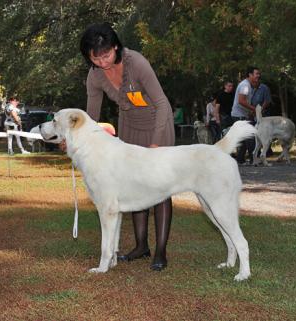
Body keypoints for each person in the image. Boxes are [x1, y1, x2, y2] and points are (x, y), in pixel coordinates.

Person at [80, 23, 175, 271]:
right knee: (134, 185)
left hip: (158, 125)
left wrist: (156, 143)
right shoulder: (95, 76)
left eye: (106, 55)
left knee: (160, 188)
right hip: (129, 129)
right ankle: (141, 246)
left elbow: (163, 103)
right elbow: (91, 118)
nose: (102, 62)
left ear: (116, 47)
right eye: (95, 57)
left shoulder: (137, 63)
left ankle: (161, 251)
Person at [231, 66, 261, 164]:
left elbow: (244, 102)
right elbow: (241, 101)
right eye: (256, 74)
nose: (258, 76)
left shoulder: (247, 85)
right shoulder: (245, 85)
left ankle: (240, 160)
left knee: (243, 139)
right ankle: (254, 159)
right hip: (239, 116)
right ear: (250, 74)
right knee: (250, 136)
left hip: (240, 115)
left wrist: (250, 112)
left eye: (258, 74)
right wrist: (254, 109)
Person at [251, 81, 273, 157]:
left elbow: (267, 101)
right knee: (257, 134)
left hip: (263, 113)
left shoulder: (264, 88)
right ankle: (260, 153)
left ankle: (266, 153)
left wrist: (261, 110)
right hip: (254, 112)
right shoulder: (251, 88)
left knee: (266, 135)